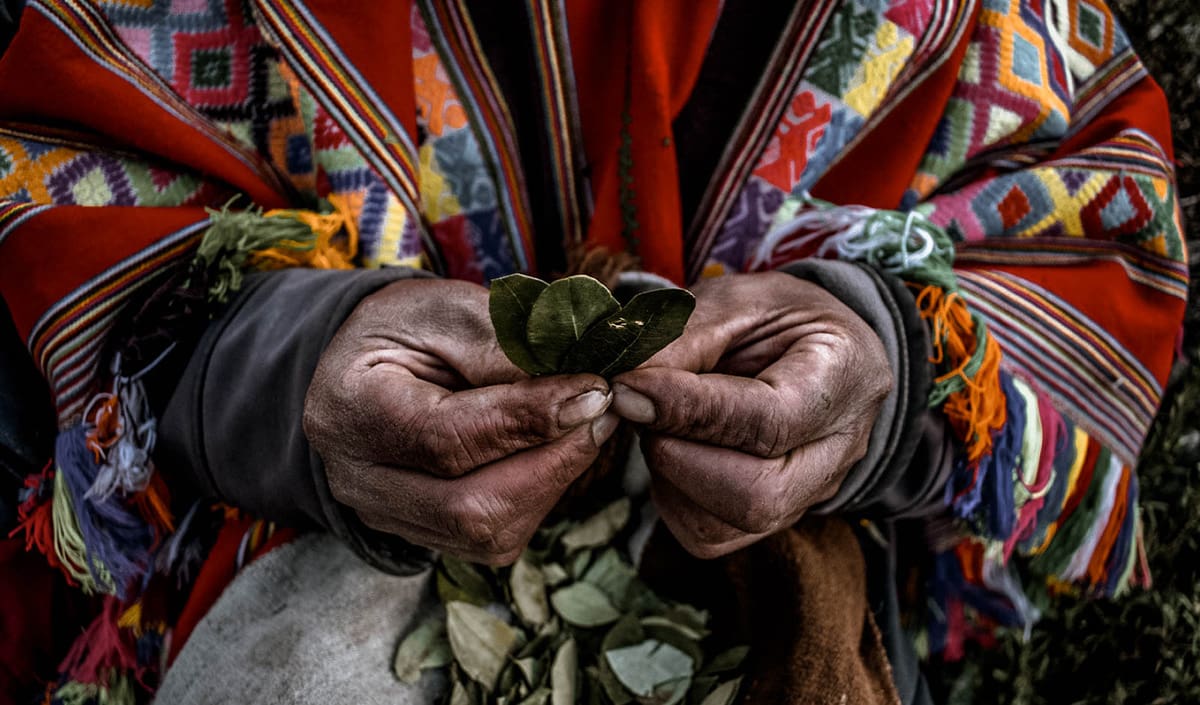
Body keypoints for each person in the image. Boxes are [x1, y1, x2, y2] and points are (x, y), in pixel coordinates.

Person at [0, 0, 1187, 703]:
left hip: (779, 551)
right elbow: (65, 172)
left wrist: (892, 371)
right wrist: (264, 369)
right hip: (277, 535)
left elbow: (1085, 202)